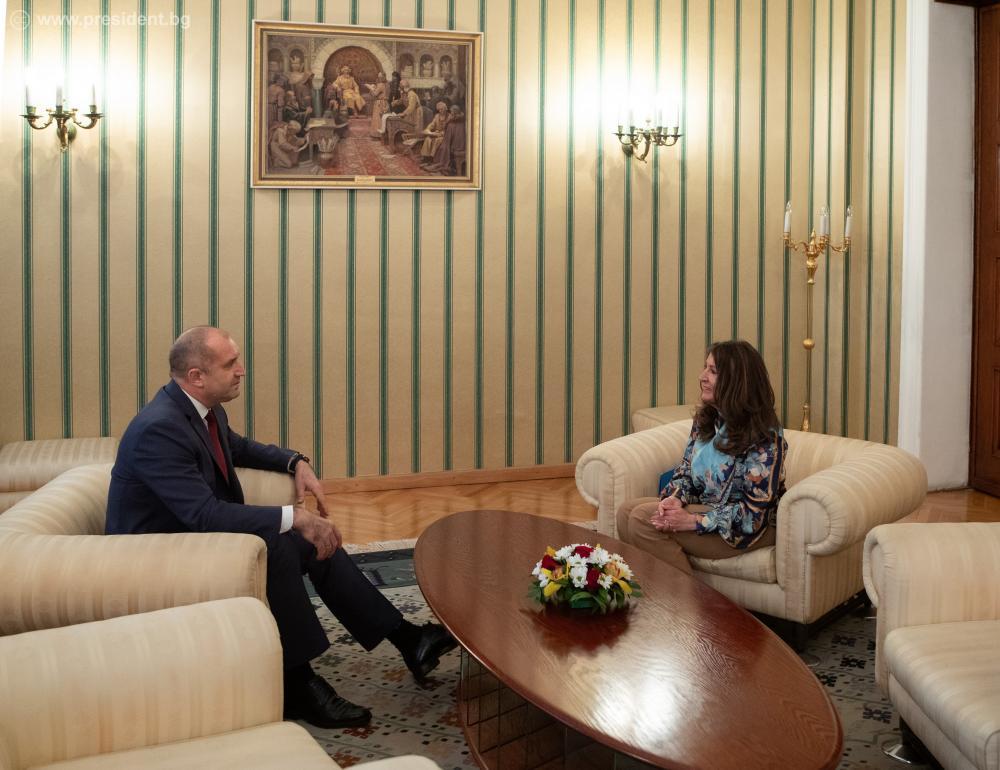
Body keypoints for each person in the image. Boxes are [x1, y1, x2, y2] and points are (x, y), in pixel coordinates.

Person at [106, 326, 457, 729]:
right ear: (196, 376)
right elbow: (203, 514)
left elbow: (238, 448)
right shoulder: (160, 428)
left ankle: (409, 640)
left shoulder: (201, 410)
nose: (241, 370)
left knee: (313, 542)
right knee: (280, 543)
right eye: (231, 364)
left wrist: (295, 462)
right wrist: (296, 517)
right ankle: (298, 683)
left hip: (187, 535)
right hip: (153, 556)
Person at [615, 340, 787, 575]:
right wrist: (676, 498)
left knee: (641, 519)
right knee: (625, 511)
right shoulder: (707, 420)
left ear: (736, 382)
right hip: (709, 507)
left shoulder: (764, 437)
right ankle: (660, 590)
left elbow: (753, 516)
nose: (702, 377)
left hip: (747, 529)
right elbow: (686, 472)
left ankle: (689, 597)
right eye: (705, 368)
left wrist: (693, 521)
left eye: (713, 371)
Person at [367, 72, 389, 138]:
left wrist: (370, 88)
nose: (379, 78)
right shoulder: (387, 84)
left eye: (380, 77)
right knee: (382, 118)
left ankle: (377, 135)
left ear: (383, 77)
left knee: (378, 118)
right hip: (385, 103)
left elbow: (375, 94)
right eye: (378, 77)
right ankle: (383, 134)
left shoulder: (381, 85)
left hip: (380, 103)